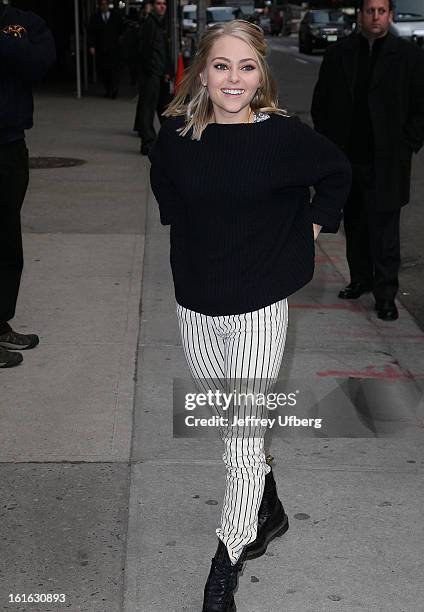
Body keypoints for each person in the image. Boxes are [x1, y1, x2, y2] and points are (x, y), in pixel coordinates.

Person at [149, 20, 351, 610]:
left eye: (246, 67)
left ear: (262, 73)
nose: (233, 79)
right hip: (197, 304)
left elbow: (336, 174)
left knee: (241, 435)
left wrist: (311, 227)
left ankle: (225, 561)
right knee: (230, 422)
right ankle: (269, 505)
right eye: (221, 66)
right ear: (201, 70)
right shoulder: (176, 135)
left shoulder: (285, 137)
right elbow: (168, 190)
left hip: (261, 305)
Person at [311, 0, 424, 321]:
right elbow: (321, 102)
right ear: (360, 14)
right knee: (356, 224)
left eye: (382, 11)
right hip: (347, 157)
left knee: (385, 231)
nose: (376, 17)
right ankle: (360, 279)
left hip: (387, 160)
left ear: (390, 14)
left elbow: (420, 106)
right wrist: (329, 146)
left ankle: (386, 295)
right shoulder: (339, 54)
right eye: (370, 11)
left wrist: (407, 145)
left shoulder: (409, 56)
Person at [0, 1, 56, 369]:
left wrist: (6, 44)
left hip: (9, 144)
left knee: (7, 241)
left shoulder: (23, 23)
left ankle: (0, 321)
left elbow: (40, 65)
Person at [133, 0, 172, 155]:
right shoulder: (150, 24)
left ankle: (162, 140)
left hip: (159, 73)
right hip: (152, 74)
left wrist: (166, 70)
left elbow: (163, 50)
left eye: (164, 3)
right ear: (152, 6)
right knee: (148, 108)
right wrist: (150, 70)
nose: (162, 6)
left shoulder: (159, 23)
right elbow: (144, 49)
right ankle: (148, 142)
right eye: (158, 3)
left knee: (163, 108)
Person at [88, 0, 123, 99]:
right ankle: (108, 89)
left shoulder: (116, 17)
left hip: (114, 48)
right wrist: (92, 46)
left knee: (114, 70)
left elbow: (121, 31)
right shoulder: (95, 18)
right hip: (101, 48)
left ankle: (114, 89)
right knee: (103, 70)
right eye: (102, 4)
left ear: (108, 5)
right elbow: (91, 33)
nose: (104, 6)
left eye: (105, 4)